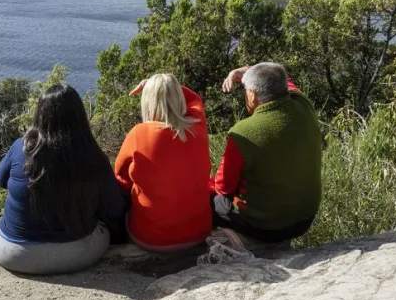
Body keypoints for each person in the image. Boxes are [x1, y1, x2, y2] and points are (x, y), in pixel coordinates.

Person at [0, 84, 127, 275]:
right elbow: (114, 208)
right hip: (78, 254)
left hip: (13, 255)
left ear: (40, 114)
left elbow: (1, 180)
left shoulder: (20, 147)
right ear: (79, 117)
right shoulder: (93, 156)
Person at [210, 62, 323, 244]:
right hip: (304, 220)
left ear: (252, 96)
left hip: (265, 228)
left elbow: (222, 188)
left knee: (211, 201)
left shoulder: (243, 133)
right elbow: (284, 78)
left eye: (245, 89)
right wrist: (245, 71)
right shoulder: (304, 105)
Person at [114, 74, 212, 252]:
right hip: (199, 233)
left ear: (148, 102)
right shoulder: (198, 126)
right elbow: (195, 99)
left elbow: (120, 177)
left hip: (151, 238)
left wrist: (154, 87)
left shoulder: (139, 133)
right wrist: (167, 88)